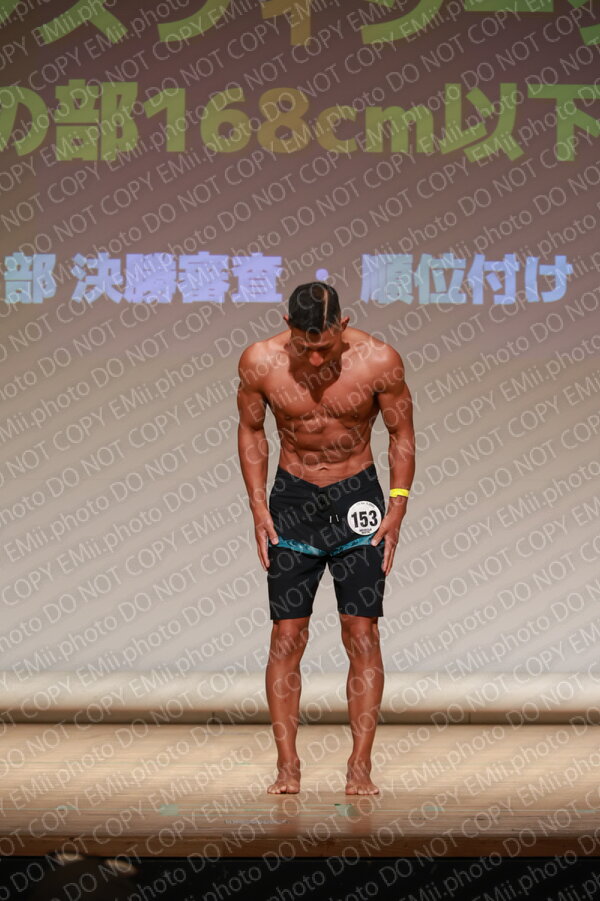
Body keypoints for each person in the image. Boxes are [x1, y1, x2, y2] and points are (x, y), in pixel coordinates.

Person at [237, 282, 415, 795]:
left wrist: (397, 504)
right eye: (305, 345)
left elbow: (401, 434)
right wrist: (258, 505)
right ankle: (287, 766)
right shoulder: (260, 361)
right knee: (286, 635)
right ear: (288, 327)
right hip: (292, 500)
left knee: (362, 633)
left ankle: (360, 765)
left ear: (343, 324)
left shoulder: (379, 360)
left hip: (357, 498)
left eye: (325, 345)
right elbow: (252, 430)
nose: (315, 357)